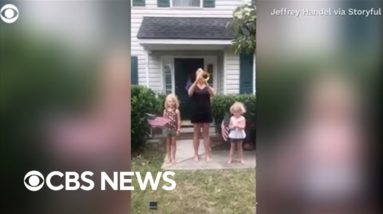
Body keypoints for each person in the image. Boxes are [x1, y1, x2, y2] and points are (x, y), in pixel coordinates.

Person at [188, 68, 215, 161]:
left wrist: (206, 83)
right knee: (196, 134)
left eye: (201, 73)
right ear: (196, 75)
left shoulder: (208, 86)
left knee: (206, 135)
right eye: (198, 73)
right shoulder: (193, 85)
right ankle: (196, 154)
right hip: (196, 112)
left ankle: (207, 155)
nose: (200, 75)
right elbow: (189, 93)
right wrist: (196, 81)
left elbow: (213, 94)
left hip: (206, 112)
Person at [163, 94, 181, 164]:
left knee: (173, 143)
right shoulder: (165, 111)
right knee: (168, 143)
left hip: (173, 129)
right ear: (167, 102)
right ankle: (169, 157)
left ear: (175, 102)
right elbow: (163, 120)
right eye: (169, 102)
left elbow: (179, 120)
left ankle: (173, 158)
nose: (170, 103)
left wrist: (178, 129)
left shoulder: (176, 111)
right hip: (166, 129)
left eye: (172, 101)